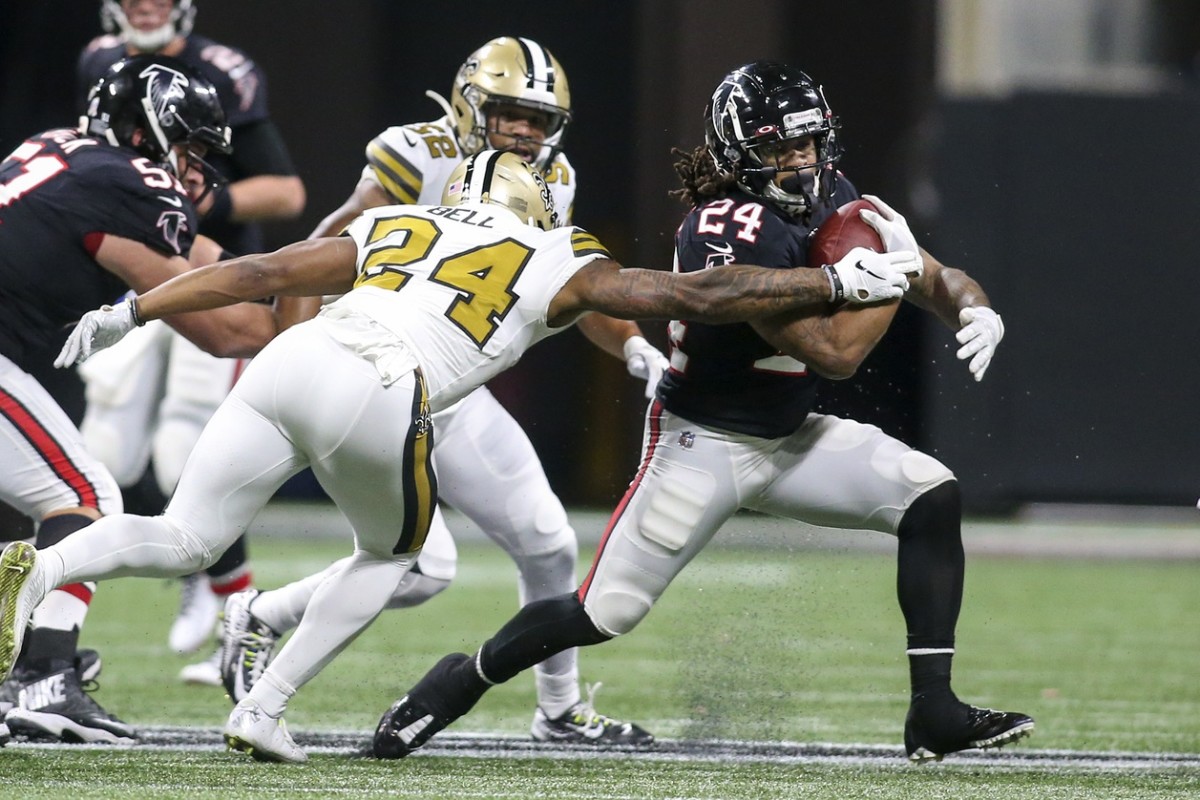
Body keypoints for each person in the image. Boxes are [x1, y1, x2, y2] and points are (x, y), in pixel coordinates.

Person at [0, 148, 919, 763]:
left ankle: (38, 574)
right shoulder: (555, 253)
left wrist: (132, 311)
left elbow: (264, 272)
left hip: (288, 362)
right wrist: (830, 279)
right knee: (394, 556)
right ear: (539, 205)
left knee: (186, 535)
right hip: (381, 384)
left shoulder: (396, 225)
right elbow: (696, 292)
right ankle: (263, 708)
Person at [366, 61, 1033, 765]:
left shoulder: (839, 200)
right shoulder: (724, 225)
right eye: (780, 148)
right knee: (604, 611)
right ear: (739, 152)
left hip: (790, 437)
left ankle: (934, 710)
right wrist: (881, 280)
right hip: (702, 443)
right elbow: (832, 352)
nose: (799, 162)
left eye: (807, 145)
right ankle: (456, 683)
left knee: (930, 494)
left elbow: (937, 275)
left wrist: (975, 304)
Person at [219, 35, 670, 746]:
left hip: (452, 389)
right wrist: (286, 358)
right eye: (510, 113)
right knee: (421, 570)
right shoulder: (421, 154)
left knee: (549, 542)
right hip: (370, 375)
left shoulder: (555, 182)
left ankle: (558, 711)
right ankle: (263, 617)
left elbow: (568, 289)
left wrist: (636, 344)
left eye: (540, 119)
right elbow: (326, 246)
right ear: (469, 105)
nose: (526, 131)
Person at [0, 54, 282, 744]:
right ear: (147, 132)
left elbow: (200, 261)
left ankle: (34, 672)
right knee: (88, 497)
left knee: (41, 504)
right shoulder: (132, 184)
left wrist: (285, 269)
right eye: (186, 148)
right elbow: (223, 331)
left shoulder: (61, 151)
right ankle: (44, 676)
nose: (192, 170)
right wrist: (303, 305)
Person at [77, 0, 307, 675]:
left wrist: (204, 201)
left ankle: (232, 600)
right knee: (102, 457)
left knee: (184, 457)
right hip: (134, 265)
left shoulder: (221, 73)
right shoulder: (98, 59)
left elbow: (287, 193)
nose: (145, 8)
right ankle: (49, 636)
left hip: (210, 270)